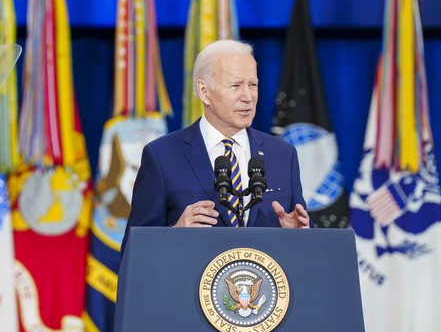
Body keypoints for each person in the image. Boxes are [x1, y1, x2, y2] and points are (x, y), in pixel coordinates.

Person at [123, 40, 309, 250]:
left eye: (253, 85)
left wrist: (299, 234)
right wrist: (176, 233)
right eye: (236, 86)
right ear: (204, 92)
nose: (248, 97)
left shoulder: (283, 155)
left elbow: (304, 243)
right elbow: (133, 249)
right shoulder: (162, 157)